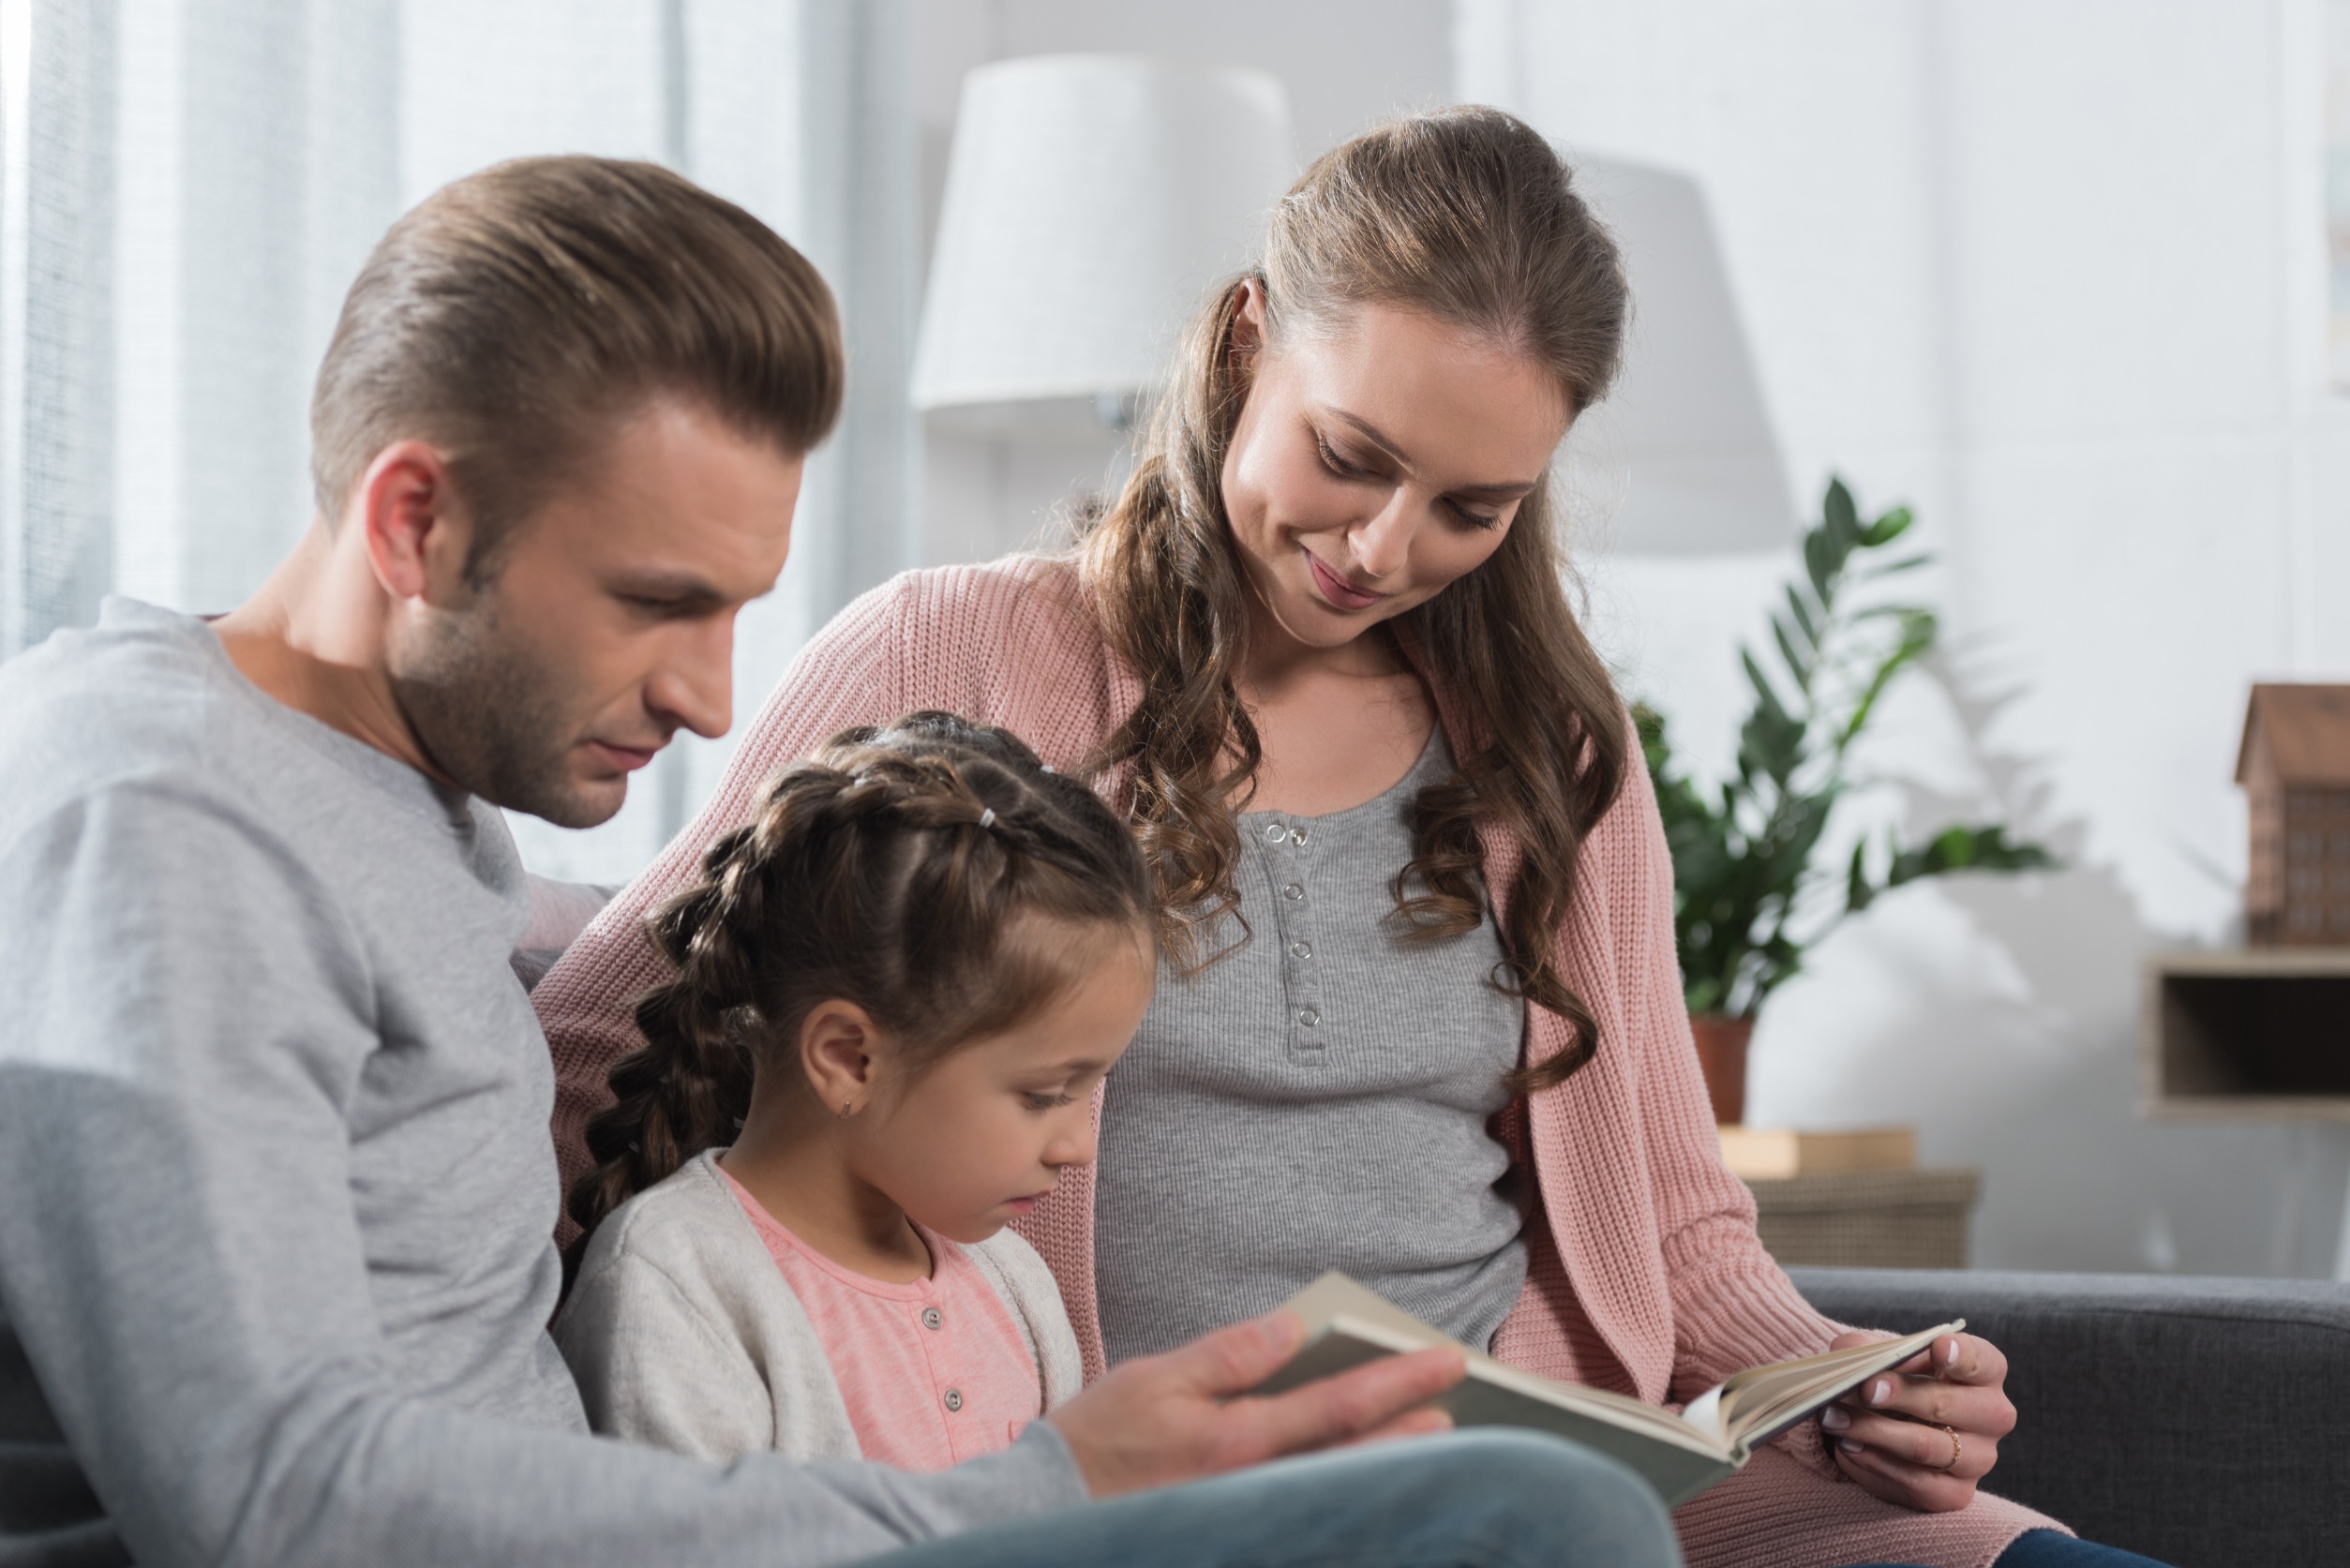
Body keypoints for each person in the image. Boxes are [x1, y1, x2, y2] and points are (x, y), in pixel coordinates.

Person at [0, 154, 1687, 1568]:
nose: (711, 695)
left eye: (735, 608)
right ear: (412, 521)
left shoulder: (395, 793)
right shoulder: (158, 822)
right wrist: (1038, 1483)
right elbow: (272, 1490)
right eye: (660, 602)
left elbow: (630, 992)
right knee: (1530, 1518)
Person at [535, 109, 2167, 1568]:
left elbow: (1672, 1212)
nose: (1383, 549)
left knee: (2009, 1556)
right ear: (1248, 343)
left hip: (1547, 1452)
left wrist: (1849, 1384)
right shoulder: (946, 655)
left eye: (1471, 506)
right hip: (1148, 1477)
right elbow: (605, 1046)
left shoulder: (1553, 746)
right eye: (1351, 457)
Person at [556, 714, 1152, 1467]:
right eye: (1044, 1094)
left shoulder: (1014, 1283)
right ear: (848, 1059)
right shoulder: (672, 1285)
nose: (1080, 1145)